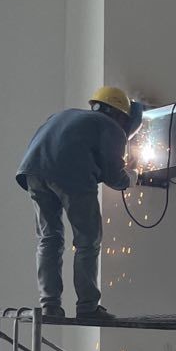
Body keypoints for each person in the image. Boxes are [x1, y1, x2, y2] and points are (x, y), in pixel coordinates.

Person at [16, 86, 143, 320]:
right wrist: (132, 177)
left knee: (49, 238)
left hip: (33, 172)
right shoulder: (111, 126)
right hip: (72, 175)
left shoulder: (65, 116)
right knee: (88, 240)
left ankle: (49, 306)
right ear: (120, 115)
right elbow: (115, 177)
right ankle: (88, 307)